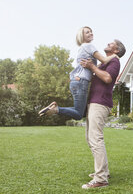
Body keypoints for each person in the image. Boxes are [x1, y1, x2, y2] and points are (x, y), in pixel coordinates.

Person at [38, 26, 118, 120]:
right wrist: (115, 55)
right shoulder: (89, 46)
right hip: (81, 82)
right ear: (82, 36)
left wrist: (97, 67)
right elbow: (104, 60)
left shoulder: (83, 48)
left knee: (82, 111)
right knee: (79, 114)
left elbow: (96, 66)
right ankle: (56, 109)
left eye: (91, 31)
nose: (91, 33)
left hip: (76, 81)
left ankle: (55, 108)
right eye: (87, 32)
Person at [80, 39, 126, 189]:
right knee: (90, 138)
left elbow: (107, 78)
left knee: (95, 139)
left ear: (117, 50)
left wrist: (92, 66)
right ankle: (102, 171)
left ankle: (101, 179)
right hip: (94, 102)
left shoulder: (115, 61)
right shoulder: (105, 63)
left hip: (100, 103)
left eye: (112, 43)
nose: (108, 43)